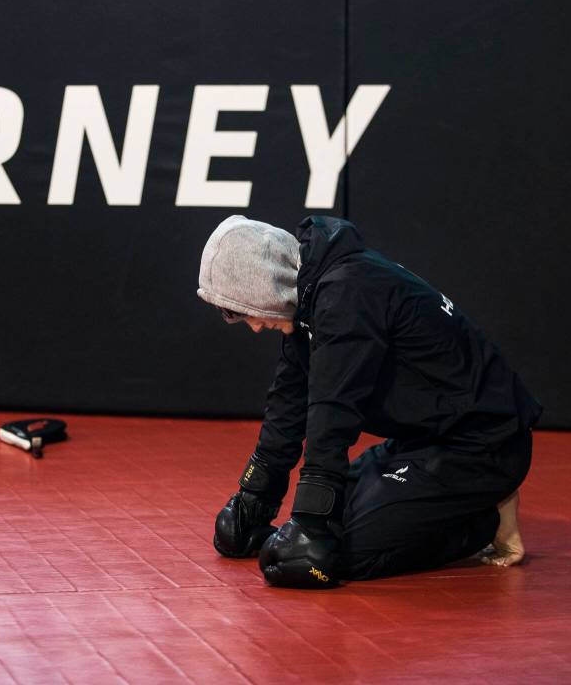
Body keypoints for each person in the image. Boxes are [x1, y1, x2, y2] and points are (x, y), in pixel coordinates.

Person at [197, 215, 541, 588]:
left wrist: (312, 523)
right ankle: (455, 502)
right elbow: (288, 402)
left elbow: (332, 412)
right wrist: (254, 498)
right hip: (423, 442)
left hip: (483, 444)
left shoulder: (347, 292)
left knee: (338, 553)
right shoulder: (310, 296)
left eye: (245, 310)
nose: (253, 326)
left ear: (267, 282)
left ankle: (486, 517)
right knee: (334, 518)